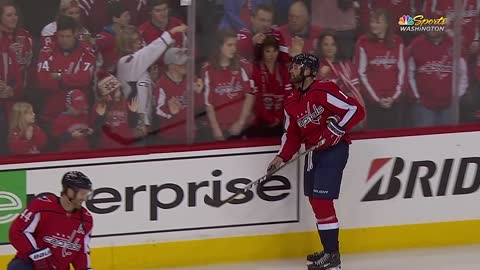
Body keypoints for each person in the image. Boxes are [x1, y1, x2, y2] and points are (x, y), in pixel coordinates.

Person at [267, 53, 365, 270]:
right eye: (291, 66)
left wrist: (336, 128)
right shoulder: (291, 101)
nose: (291, 70)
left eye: (296, 66)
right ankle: (328, 250)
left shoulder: (324, 90)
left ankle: (333, 256)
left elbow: (355, 110)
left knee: (322, 201)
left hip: (333, 150)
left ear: (309, 70)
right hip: (312, 152)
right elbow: (292, 135)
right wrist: (280, 157)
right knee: (315, 201)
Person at [8, 171, 94, 270]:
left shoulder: (86, 219)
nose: (84, 198)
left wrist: (84, 268)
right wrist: (37, 255)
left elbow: (81, 251)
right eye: (82, 193)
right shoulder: (42, 206)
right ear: (69, 191)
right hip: (30, 264)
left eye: (86, 194)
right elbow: (17, 231)